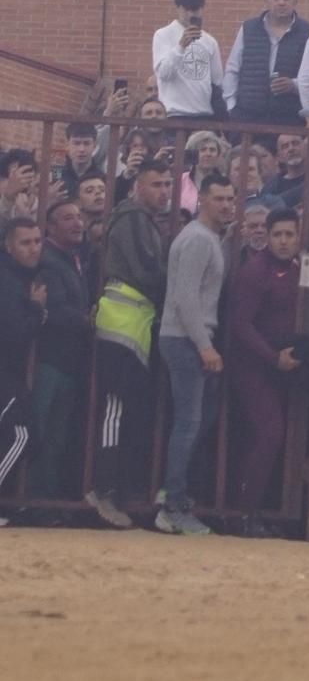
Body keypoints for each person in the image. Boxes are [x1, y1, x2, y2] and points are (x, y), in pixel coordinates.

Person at [85, 160, 172, 530]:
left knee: (123, 410)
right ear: (137, 186)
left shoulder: (138, 218)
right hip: (122, 326)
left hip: (133, 325)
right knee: (115, 410)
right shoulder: (133, 218)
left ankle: (114, 490)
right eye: (156, 184)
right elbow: (145, 270)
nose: (164, 191)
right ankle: (103, 490)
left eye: (168, 184)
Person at [155, 173, 234, 536]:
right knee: (189, 423)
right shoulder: (199, 240)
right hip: (186, 339)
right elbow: (185, 297)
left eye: (230, 199)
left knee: (195, 421)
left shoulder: (206, 238)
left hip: (186, 338)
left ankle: (171, 493)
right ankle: (172, 504)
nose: (226, 205)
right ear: (202, 199)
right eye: (219, 198)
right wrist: (204, 345)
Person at [227, 209, 303, 535]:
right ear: (267, 237)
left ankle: (263, 510)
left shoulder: (299, 270)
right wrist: (273, 358)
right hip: (253, 367)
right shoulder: (255, 271)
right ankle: (246, 513)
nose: (283, 241)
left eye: (289, 235)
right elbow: (241, 324)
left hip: (282, 367)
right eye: (278, 235)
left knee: (274, 437)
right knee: (271, 433)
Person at [30, 200, 95, 499]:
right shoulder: (49, 260)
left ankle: (45, 498)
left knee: (55, 435)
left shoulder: (71, 258)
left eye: (79, 216)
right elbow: (52, 309)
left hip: (66, 361)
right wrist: (86, 319)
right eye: (68, 218)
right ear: (51, 227)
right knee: (41, 431)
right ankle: (30, 497)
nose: (77, 223)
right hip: (48, 360)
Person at [224, 0, 309, 125]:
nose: (281, 2)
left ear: (295, 2)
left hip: (289, 117)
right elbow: (232, 69)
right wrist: (231, 106)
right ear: (267, 1)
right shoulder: (248, 28)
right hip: (247, 116)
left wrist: (294, 85)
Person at [0, 218, 46, 521]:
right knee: (22, 435)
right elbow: (14, 333)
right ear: (8, 245)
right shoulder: (9, 280)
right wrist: (36, 307)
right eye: (25, 243)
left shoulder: (16, 277)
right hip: (5, 370)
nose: (33, 249)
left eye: (37, 242)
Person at [151, 0, 224, 121]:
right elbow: (163, 74)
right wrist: (180, 47)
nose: (191, 14)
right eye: (187, 9)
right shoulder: (163, 35)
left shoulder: (210, 41)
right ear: (178, 7)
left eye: (195, 9)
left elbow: (217, 81)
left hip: (204, 114)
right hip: (174, 113)